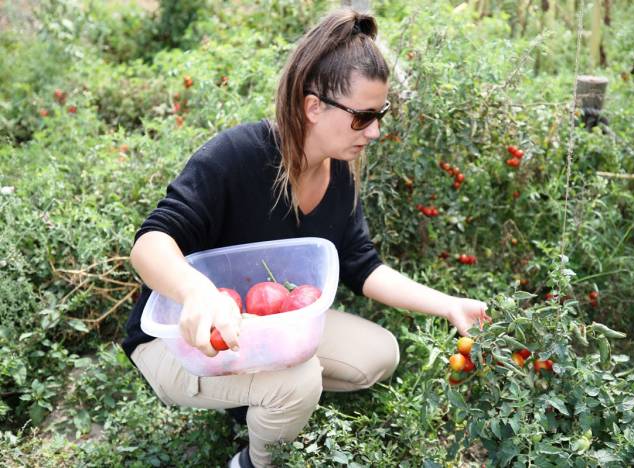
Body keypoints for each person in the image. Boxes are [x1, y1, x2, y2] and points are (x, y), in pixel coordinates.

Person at [122, 8, 490, 468]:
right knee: (298, 382)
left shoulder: (339, 174)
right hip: (183, 343)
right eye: (363, 117)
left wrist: (448, 304)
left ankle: (260, 398)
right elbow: (151, 242)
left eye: (381, 114)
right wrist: (198, 293)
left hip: (265, 323)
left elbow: (361, 263)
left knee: (378, 355)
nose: (375, 131)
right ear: (313, 106)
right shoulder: (237, 156)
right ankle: (254, 460)